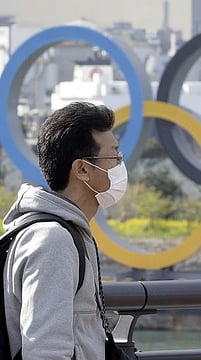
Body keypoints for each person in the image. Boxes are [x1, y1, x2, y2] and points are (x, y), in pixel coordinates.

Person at [3, 101, 128, 359]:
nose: (120, 164)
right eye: (114, 156)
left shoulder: (66, 231)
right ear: (82, 169)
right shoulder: (53, 240)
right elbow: (45, 351)